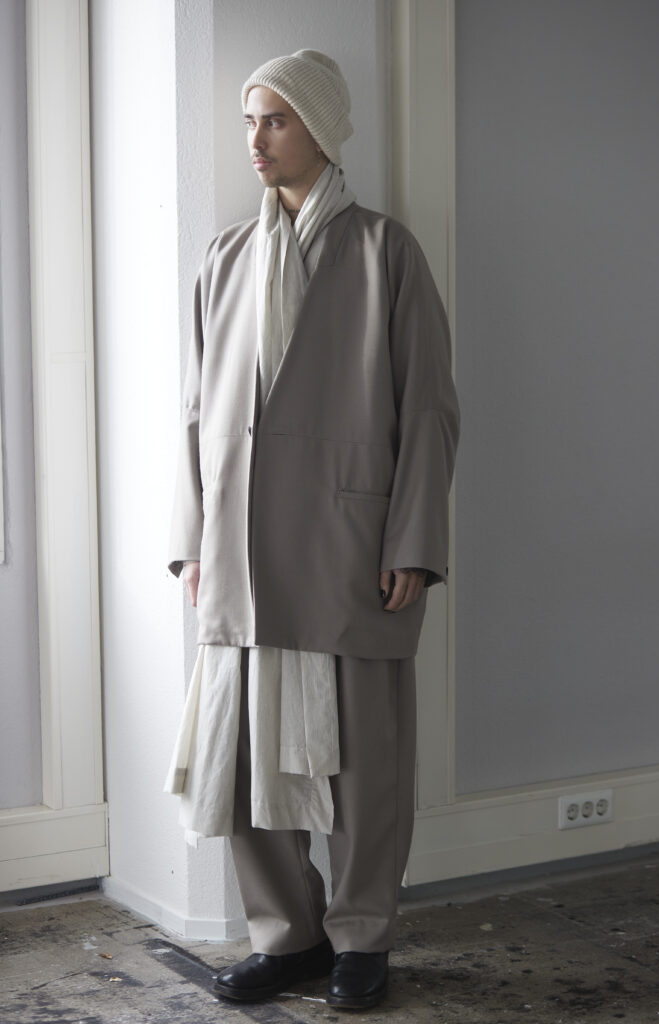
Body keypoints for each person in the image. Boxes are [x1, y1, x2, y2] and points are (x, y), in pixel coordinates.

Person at [166, 49, 459, 1012]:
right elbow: (195, 413)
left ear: (322, 127)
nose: (255, 139)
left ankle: (362, 938)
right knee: (245, 758)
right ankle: (286, 937)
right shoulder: (225, 258)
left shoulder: (385, 253)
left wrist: (413, 542)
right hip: (242, 555)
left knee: (363, 766)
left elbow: (428, 411)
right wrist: (190, 539)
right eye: (249, 121)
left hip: (351, 551)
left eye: (276, 119)